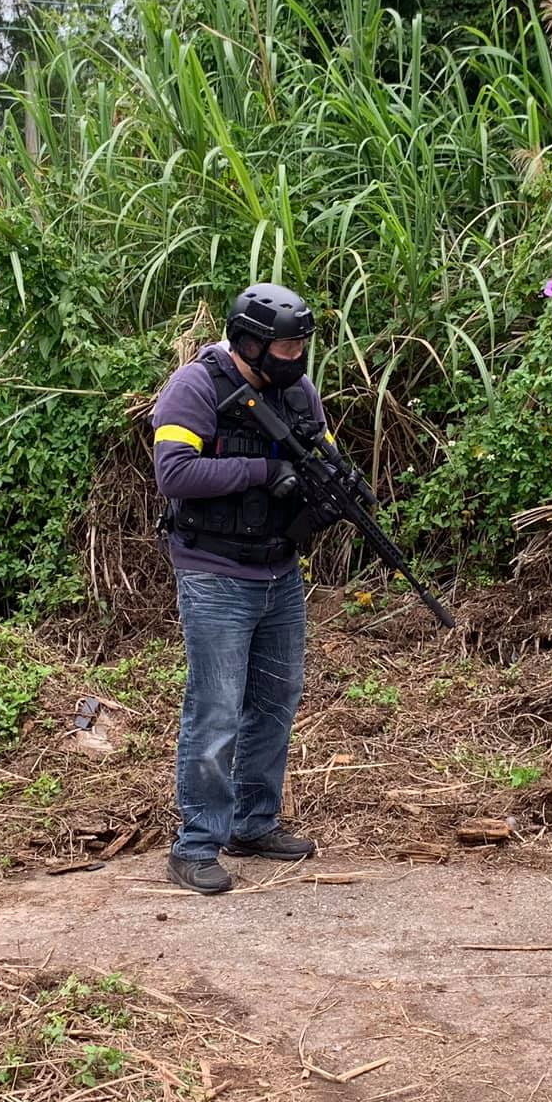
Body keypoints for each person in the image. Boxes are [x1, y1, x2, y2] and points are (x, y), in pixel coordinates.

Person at [151, 284, 333, 895]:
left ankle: (254, 824)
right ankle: (196, 844)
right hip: (215, 571)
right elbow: (174, 473)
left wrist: (328, 493)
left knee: (276, 702)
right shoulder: (195, 387)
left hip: (279, 570)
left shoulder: (299, 391)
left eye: (302, 345)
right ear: (250, 343)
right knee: (217, 710)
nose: (296, 356)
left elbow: (322, 454)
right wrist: (263, 471)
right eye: (286, 346)